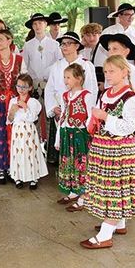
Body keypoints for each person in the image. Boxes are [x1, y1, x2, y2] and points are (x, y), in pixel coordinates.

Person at [81, 55, 135, 249]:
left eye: (112, 71)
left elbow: (129, 127)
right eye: (106, 71)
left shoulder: (131, 98)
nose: (107, 75)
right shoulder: (107, 93)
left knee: (114, 189)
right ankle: (119, 223)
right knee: (107, 188)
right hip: (103, 148)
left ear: (124, 72)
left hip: (119, 151)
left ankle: (105, 234)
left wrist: (106, 117)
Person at [45, 32, 97, 164]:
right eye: (62, 44)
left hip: (80, 114)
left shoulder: (86, 65)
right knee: (64, 145)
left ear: (77, 46)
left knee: (80, 147)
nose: (65, 47)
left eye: (69, 43)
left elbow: (92, 90)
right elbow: (49, 88)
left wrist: (86, 112)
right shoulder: (56, 66)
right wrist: (53, 107)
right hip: (60, 112)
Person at [0, 29, 26, 184]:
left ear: (10, 40)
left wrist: (21, 103)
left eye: (0, 39)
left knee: (15, 136)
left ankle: (13, 168)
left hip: (14, 105)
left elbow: (25, 84)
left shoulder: (20, 60)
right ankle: (1, 168)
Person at [55, 64, 94, 212]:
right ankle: (73, 191)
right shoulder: (65, 96)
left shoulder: (87, 95)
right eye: (65, 77)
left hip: (80, 135)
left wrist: (91, 135)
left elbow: (90, 117)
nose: (65, 80)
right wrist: (58, 138)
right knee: (69, 163)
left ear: (78, 78)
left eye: (68, 77)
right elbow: (63, 117)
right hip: (67, 133)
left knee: (81, 164)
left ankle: (84, 194)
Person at [21, 13, 61, 147]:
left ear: (46, 25)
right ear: (32, 27)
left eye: (40, 23)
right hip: (33, 84)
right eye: (35, 24)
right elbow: (24, 66)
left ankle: (50, 147)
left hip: (50, 84)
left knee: (49, 114)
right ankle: (35, 145)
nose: (38, 26)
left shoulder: (55, 44)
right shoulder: (28, 45)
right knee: (34, 112)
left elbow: (58, 64)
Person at [7, 73, 48, 189]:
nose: (21, 89)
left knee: (31, 153)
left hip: (29, 132)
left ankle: (33, 177)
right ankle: (18, 177)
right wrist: (12, 112)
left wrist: (25, 107)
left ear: (30, 87)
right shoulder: (13, 101)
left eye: (24, 87)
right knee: (18, 153)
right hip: (17, 132)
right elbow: (9, 120)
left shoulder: (33, 102)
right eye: (19, 86)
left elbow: (33, 118)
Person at [93, 3, 135, 79]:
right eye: (127, 14)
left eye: (132, 15)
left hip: (131, 73)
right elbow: (100, 56)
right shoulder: (108, 32)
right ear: (120, 16)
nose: (131, 17)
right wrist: (101, 79)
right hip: (112, 72)